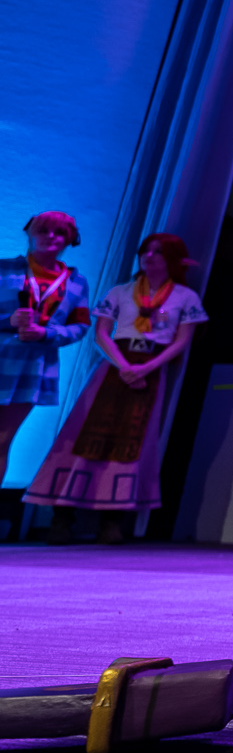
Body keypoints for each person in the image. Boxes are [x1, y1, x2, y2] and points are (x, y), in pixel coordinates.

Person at [24, 233, 207, 543]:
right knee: (83, 434)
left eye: (158, 252)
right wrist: (123, 366)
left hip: (151, 369)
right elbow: (101, 334)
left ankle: (111, 522)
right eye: (146, 251)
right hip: (114, 366)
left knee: (134, 440)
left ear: (173, 259)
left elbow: (182, 340)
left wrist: (146, 368)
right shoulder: (120, 292)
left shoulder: (185, 297)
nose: (149, 256)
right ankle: (62, 518)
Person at [0, 213, 93, 541]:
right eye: (44, 230)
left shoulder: (76, 282)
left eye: (60, 233)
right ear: (30, 233)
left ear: (70, 240)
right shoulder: (4, 268)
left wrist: (47, 333)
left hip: (34, 366)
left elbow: (80, 326)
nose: (51, 237)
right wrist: (7, 321)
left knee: (3, 440)